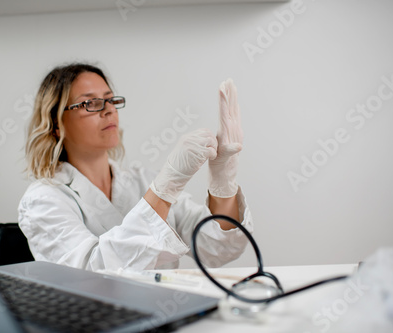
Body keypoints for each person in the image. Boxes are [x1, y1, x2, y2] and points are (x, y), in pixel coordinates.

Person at [18, 63, 253, 272]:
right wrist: (165, 189)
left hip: (166, 311)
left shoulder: (143, 182)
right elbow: (90, 273)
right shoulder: (43, 199)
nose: (109, 109)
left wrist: (223, 181)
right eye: (91, 103)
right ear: (56, 125)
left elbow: (216, 249)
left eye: (111, 100)